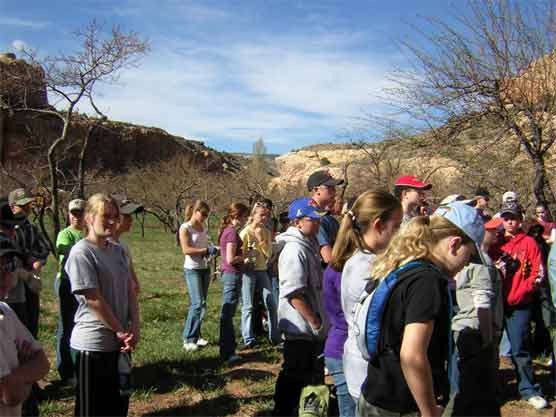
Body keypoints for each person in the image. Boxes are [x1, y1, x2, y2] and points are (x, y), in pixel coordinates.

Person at [357, 202, 484, 417]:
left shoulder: (405, 267)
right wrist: (429, 412)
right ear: (454, 244)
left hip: (376, 394)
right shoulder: (427, 281)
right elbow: (412, 355)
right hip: (399, 405)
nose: (467, 264)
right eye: (470, 255)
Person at [326, 190, 402, 416]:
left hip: (365, 367)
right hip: (369, 371)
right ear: (378, 225)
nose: (400, 233)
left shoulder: (364, 260)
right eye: (396, 226)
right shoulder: (366, 267)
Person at [65, 194, 140, 417]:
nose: (112, 221)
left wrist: (135, 326)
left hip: (120, 345)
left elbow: (130, 290)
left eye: (115, 216)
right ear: (89, 218)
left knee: (117, 407)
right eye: (105, 215)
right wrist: (120, 330)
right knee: (92, 410)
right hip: (93, 345)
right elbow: (93, 299)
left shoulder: (118, 250)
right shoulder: (81, 252)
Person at [489, 201, 547, 410]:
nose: (509, 222)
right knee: (491, 348)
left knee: (520, 348)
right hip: (496, 304)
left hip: (519, 304)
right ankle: (492, 389)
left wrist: (524, 290)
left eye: (513, 217)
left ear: (520, 219)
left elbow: (538, 274)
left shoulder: (529, 243)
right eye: (505, 218)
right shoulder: (495, 242)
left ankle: (528, 389)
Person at [272, 198, 328, 416]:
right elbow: (294, 292)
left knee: (312, 374)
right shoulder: (295, 250)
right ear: (297, 222)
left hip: (310, 329)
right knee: (295, 374)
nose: (317, 224)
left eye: (318, 219)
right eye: (311, 220)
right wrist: (314, 321)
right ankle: (283, 411)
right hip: (301, 328)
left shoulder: (309, 244)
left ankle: (311, 413)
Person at [448, 218, 503, 416]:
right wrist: (488, 338)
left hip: (461, 328)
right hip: (475, 331)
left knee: (461, 389)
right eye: (491, 230)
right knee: (470, 394)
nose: (497, 233)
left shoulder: (467, 259)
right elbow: (483, 304)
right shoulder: (481, 262)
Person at [0, 236, 50, 417]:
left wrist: (16, 378)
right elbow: (11, 395)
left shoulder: (5, 311)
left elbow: (43, 363)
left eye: (9, 267)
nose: (6, 276)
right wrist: (27, 375)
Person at [7, 188, 50, 339]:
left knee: (31, 323)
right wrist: (27, 259)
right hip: (12, 284)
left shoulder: (31, 228)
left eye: (28, 206)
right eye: (22, 206)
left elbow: (44, 248)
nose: (26, 209)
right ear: (12, 206)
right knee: (16, 326)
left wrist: (37, 262)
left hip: (31, 282)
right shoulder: (7, 228)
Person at [239, 202, 280, 349]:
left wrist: (263, 243)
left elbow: (268, 254)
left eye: (266, 215)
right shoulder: (245, 233)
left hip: (262, 270)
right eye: (261, 215)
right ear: (253, 215)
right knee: (248, 305)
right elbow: (239, 254)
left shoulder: (267, 232)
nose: (264, 218)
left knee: (271, 302)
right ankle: (248, 339)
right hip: (248, 271)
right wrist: (246, 259)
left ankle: (275, 337)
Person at [178, 200, 216, 352]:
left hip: (204, 268)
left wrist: (211, 254)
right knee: (197, 303)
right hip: (192, 269)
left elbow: (204, 246)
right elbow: (186, 250)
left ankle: (197, 335)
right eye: (203, 214)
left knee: (203, 304)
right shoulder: (185, 228)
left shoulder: (203, 227)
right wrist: (206, 250)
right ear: (195, 211)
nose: (205, 217)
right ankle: (188, 339)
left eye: (207, 215)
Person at [54, 198, 85, 386]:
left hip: (84, 283)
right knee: (66, 326)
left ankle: (79, 365)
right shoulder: (65, 234)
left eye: (80, 213)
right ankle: (65, 370)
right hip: (67, 283)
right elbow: (66, 251)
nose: (76, 217)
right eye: (73, 213)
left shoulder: (89, 233)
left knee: (79, 323)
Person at [218, 202, 249, 365]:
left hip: (230, 274)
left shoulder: (227, 231)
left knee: (228, 313)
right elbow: (230, 258)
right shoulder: (231, 233)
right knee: (228, 313)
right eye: (244, 216)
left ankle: (228, 349)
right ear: (237, 216)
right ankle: (227, 352)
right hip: (232, 274)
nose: (246, 220)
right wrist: (246, 255)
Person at [306, 170, 344, 265]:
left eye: (334, 187)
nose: (334, 191)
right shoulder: (312, 218)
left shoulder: (329, 218)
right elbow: (327, 257)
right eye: (329, 187)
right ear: (316, 190)